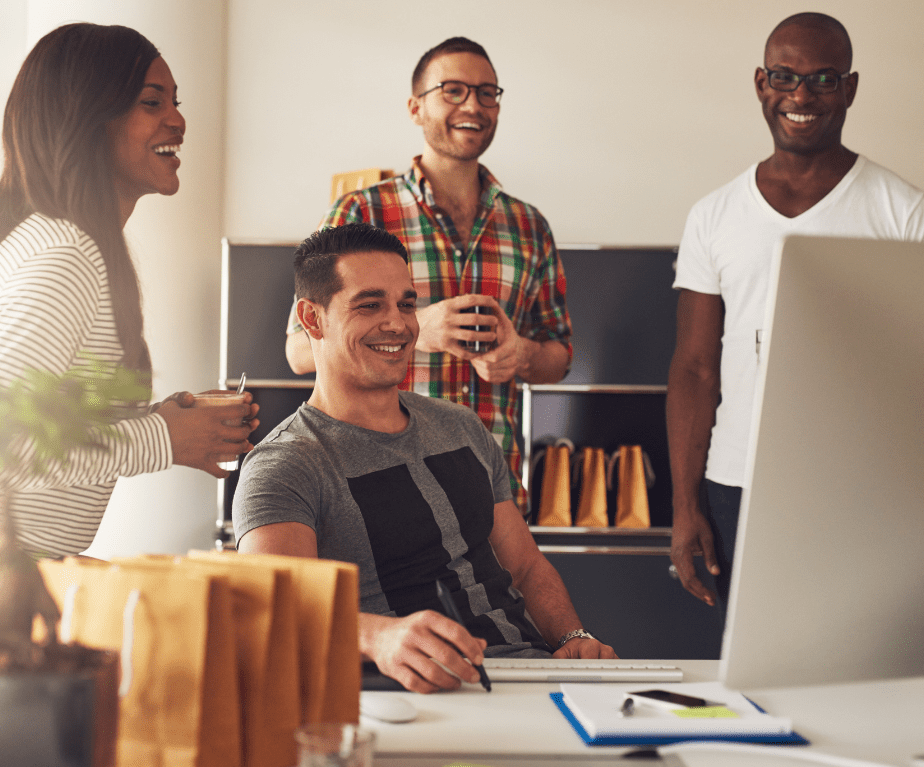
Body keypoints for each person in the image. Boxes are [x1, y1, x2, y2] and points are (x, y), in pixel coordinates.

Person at [0, 23, 259, 576]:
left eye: (174, 101)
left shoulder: (66, 242)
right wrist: (163, 437)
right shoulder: (63, 254)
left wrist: (169, 424)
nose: (178, 121)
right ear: (86, 120)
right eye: (150, 102)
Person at [236, 223, 614, 695]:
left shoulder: (461, 426)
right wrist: (377, 637)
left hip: (531, 678)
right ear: (312, 319)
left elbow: (526, 567)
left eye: (407, 304)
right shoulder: (284, 465)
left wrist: (573, 639)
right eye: (370, 305)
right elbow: (273, 608)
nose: (398, 323)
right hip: (413, 692)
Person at [667, 12, 924, 611]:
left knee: (857, 681)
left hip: (862, 491)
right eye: (785, 76)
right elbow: (695, 369)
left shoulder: (903, 214)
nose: (801, 95)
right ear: (762, 83)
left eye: (823, 79)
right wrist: (684, 508)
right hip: (737, 487)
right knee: (751, 685)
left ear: (850, 89)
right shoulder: (715, 214)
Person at [284, 37, 571, 513]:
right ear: (416, 108)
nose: (473, 105)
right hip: (381, 487)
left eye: (486, 93)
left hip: (493, 493)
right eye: (453, 90)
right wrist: (418, 329)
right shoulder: (360, 211)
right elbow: (298, 351)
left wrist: (520, 354)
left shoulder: (529, 225)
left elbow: (559, 356)